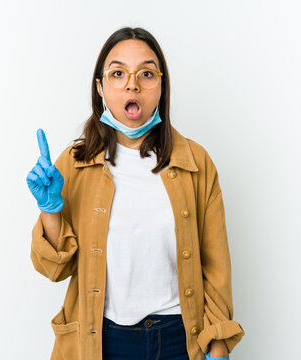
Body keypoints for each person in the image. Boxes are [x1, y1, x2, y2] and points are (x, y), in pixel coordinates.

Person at [26, 26, 244, 360]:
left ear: (161, 86)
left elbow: (216, 269)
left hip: (181, 339)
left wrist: (218, 346)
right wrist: (50, 209)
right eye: (117, 73)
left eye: (146, 73)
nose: (132, 83)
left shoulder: (195, 163)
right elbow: (56, 270)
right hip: (103, 340)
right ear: (100, 87)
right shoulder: (74, 163)